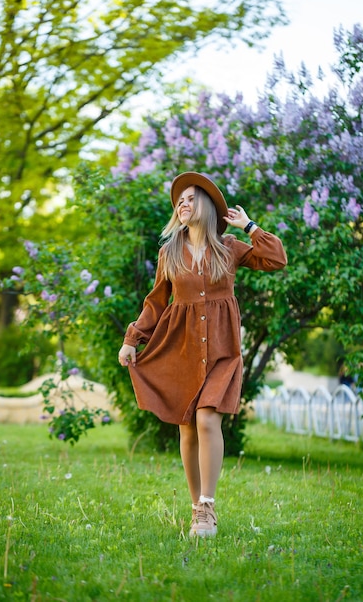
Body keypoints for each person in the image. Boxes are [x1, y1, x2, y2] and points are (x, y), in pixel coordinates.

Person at [118, 171, 287, 538]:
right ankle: (197, 510)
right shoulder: (170, 252)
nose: (183, 203)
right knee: (188, 428)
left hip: (223, 351)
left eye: (192, 198)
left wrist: (250, 226)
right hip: (181, 349)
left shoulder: (228, 247)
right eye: (180, 200)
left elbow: (276, 259)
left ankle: (208, 507)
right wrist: (134, 338)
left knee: (208, 418)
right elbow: (156, 303)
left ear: (208, 206)